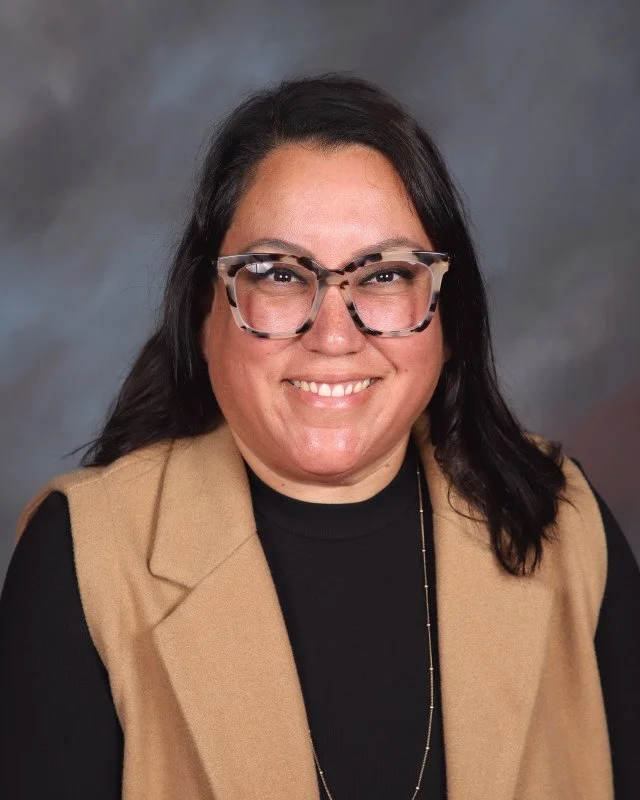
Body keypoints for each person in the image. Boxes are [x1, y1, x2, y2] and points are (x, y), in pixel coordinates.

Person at [0, 74, 638, 800]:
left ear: (449, 314)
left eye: (385, 275)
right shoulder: (84, 557)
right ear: (205, 313)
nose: (334, 335)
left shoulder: (564, 523)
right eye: (278, 274)